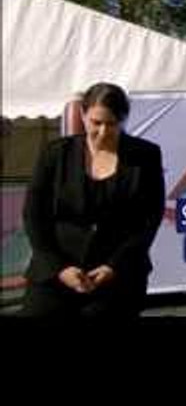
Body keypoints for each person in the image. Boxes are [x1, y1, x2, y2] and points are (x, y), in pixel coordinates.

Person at [21, 83, 165, 316]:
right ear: (82, 115)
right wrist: (59, 268)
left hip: (119, 277)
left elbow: (149, 219)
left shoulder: (146, 155)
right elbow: (34, 216)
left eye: (112, 124)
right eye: (96, 123)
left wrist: (114, 266)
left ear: (123, 120)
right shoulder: (55, 154)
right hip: (54, 274)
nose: (104, 131)